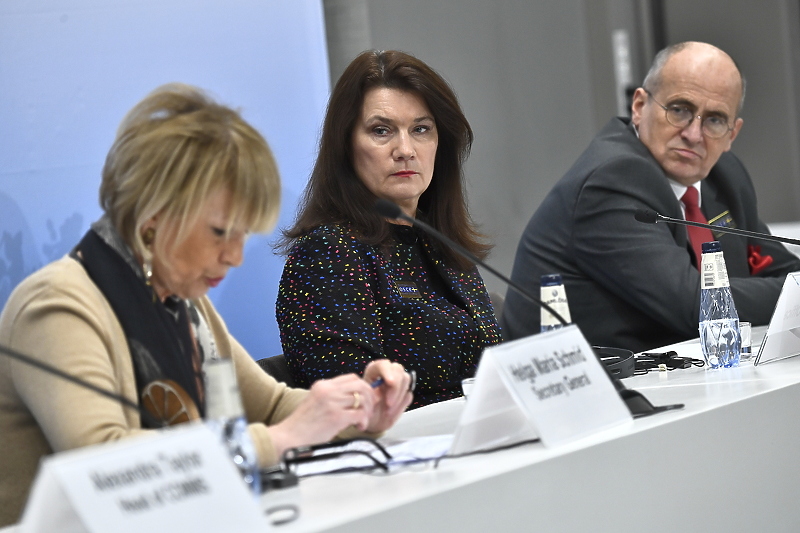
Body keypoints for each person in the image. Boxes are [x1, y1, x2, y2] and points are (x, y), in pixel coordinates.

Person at [0, 83, 413, 527]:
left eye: (243, 236)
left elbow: (270, 406)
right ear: (153, 217)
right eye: (220, 232)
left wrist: (357, 410)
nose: (235, 257)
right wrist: (275, 440)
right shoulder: (57, 306)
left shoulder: (182, 299)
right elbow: (106, 468)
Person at [502, 41, 800, 353]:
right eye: (680, 110)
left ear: (732, 134)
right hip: (582, 388)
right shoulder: (612, 179)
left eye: (714, 120)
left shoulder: (723, 174)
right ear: (640, 106)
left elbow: (775, 268)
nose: (694, 134)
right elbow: (696, 305)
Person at [276, 50, 502, 409]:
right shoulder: (328, 253)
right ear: (345, 146)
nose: (406, 150)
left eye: (421, 129)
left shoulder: (442, 244)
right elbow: (355, 403)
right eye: (382, 131)